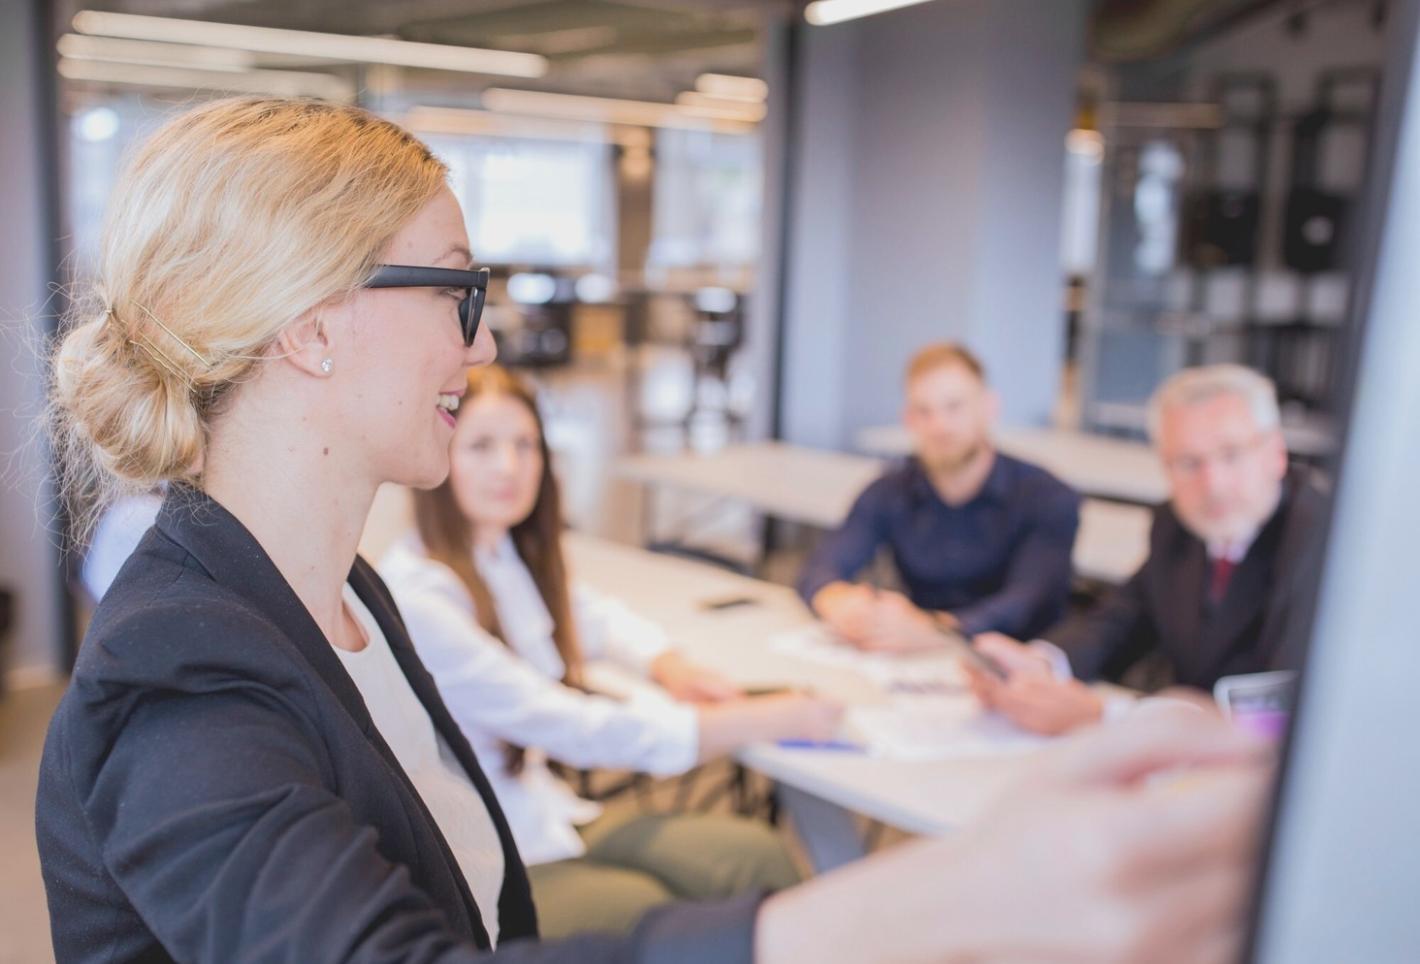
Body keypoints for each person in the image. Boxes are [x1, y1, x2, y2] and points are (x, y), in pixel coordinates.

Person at [38, 95, 1273, 963]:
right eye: (459, 289)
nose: (484, 339)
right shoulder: (181, 677)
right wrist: (945, 899)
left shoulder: (343, 592)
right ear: (311, 326)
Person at [381, 363, 833, 937]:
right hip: (486, 855)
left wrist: (668, 664)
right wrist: (758, 720)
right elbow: (567, 723)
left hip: (547, 813)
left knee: (753, 854)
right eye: (482, 447)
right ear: (440, 449)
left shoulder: (502, 552)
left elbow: (593, 616)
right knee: (653, 912)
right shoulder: (422, 593)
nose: (510, 467)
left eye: (525, 445)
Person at [966, 364, 1328, 735]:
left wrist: (1108, 716)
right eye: (1188, 463)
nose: (1213, 484)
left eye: (1231, 454)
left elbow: (1289, 713)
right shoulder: (1177, 523)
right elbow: (1121, 620)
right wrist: (1041, 665)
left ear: (1276, 453)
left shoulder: (1323, 544)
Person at [797, 343, 1080, 652]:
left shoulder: (1047, 497)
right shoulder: (889, 490)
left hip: (1017, 660)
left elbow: (1027, 602)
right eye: (924, 411)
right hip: (918, 657)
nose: (940, 426)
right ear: (908, 419)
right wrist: (839, 602)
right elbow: (824, 563)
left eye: (954, 407)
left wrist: (936, 628)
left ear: (988, 407)